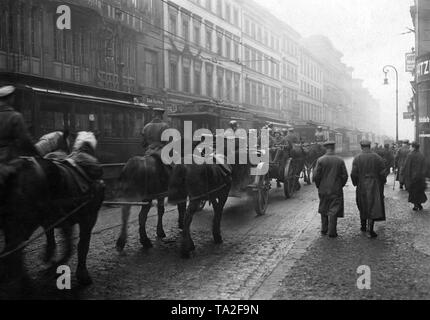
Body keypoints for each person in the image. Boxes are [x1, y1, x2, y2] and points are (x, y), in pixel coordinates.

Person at [351, 140, 386, 238]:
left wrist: (355, 183)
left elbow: (354, 173)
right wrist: (381, 182)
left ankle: (363, 226)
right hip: (374, 184)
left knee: (362, 204)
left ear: (361, 147)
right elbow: (383, 172)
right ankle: (370, 229)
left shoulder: (357, 158)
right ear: (369, 146)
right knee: (373, 206)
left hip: (361, 184)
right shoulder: (377, 157)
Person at [313, 141, 348, 238]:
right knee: (334, 209)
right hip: (336, 189)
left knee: (324, 207)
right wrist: (340, 185)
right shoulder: (340, 160)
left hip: (323, 188)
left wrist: (319, 185)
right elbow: (345, 175)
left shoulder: (320, 160)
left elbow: (316, 176)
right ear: (334, 148)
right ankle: (332, 231)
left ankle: (324, 229)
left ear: (325, 148)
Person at [0, 85, 39, 163]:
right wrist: (36, 152)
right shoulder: (15, 116)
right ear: (10, 99)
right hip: (8, 159)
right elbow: (25, 140)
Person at [404, 142, 428, 211]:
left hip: (412, 177)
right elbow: (425, 166)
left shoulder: (410, 155)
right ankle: (419, 204)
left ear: (413, 147)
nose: (410, 148)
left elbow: (407, 166)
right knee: (419, 191)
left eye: (411, 146)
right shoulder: (421, 155)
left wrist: (407, 176)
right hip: (420, 177)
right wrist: (423, 175)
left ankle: (416, 205)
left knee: (413, 192)